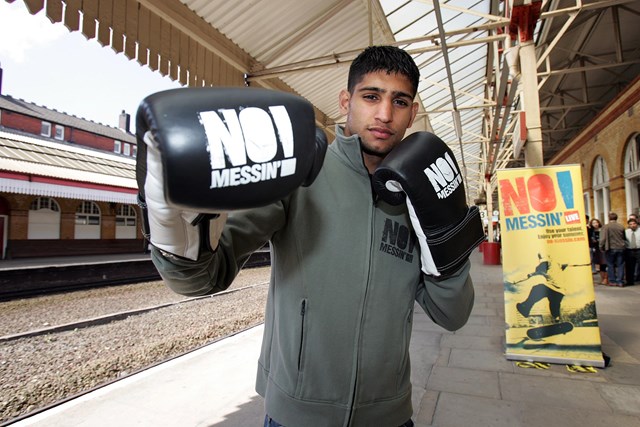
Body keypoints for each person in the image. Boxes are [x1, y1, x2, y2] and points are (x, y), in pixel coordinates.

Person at [137, 46, 476, 427]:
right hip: (295, 415)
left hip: (389, 416)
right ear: (346, 100)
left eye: (399, 101)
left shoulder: (417, 191)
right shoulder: (301, 175)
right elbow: (204, 279)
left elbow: (453, 315)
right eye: (370, 96)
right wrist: (181, 237)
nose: (384, 114)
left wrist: (447, 237)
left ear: (413, 113)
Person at [599, 212, 626, 286]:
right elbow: (624, 237)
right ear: (616, 218)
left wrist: (601, 247)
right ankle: (620, 281)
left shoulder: (606, 227)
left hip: (610, 248)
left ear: (609, 218)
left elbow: (602, 238)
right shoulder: (621, 226)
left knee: (610, 264)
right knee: (620, 265)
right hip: (621, 247)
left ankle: (612, 281)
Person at [589, 218, 608, 285]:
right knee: (599, 264)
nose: (595, 224)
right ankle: (602, 278)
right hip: (596, 249)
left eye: (596, 222)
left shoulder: (602, 230)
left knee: (604, 263)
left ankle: (606, 278)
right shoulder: (591, 231)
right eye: (593, 223)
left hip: (602, 248)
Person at [625, 217, 640, 287]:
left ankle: (638, 279)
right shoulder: (626, 232)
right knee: (629, 266)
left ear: (637, 224)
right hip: (629, 250)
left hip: (639, 249)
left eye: (634, 224)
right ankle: (630, 281)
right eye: (630, 224)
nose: (633, 225)